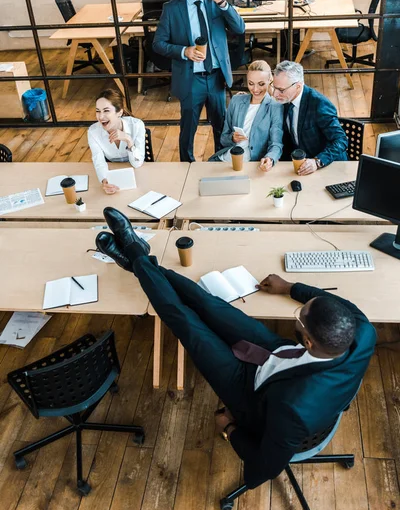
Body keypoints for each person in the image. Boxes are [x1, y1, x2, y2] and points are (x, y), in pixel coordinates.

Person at [95, 207, 376, 490]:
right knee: (208, 303)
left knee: (185, 322)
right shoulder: (362, 330)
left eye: (300, 317)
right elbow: (327, 300)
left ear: (309, 341)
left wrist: (230, 430)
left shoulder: (294, 410)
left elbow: (264, 467)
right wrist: (289, 287)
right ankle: (139, 261)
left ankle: (135, 252)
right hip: (277, 354)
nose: (299, 313)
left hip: (249, 392)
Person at [153, 0, 245, 162]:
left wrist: (221, 2)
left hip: (215, 78)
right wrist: (184, 51)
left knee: (221, 129)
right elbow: (158, 43)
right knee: (188, 130)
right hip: (190, 79)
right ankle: (187, 168)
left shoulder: (215, 2)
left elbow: (240, 28)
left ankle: (220, 164)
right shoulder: (172, 8)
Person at [272, 61, 348, 175]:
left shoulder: (319, 104)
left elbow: (341, 140)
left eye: (281, 90)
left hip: (328, 167)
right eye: (274, 88)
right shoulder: (286, 99)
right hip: (300, 166)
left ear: (298, 86)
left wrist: (317, 162)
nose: (275, 94)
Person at [210, 60, 283, 170]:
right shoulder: (236, 101)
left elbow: (276, 143)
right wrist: (232, 138)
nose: (255, 89)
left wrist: (270, 158)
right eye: (251, 83)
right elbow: (223, 139)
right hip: (225, 160)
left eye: (261, 84)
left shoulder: (275, 107)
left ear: (270, 80)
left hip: (252, 165)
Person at [88, 89, 145, 195]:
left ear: (119, 112)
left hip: (137, 173)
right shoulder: (93, 132)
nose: (100, 117)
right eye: (98, 111)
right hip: (112, 173)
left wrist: (128, 140)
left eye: (106, 111)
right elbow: (99, 161)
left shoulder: (137, 125)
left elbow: (137, 164)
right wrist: (104, 181)